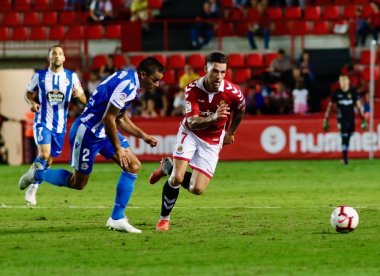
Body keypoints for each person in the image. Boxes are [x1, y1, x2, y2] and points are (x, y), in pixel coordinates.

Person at [19, 57, 165, 234]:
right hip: (87, 132)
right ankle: (37, 173)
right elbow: (109, 118)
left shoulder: (127, 78)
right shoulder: (128, 86)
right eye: (155, 80)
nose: (157, 84)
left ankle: (117, 218)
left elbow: (118, 117)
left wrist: (143, 136)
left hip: (102, 130)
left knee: (133, 166)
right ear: (143, 74)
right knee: (77, 183)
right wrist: (118, 149)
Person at [148, 52, 246, 231]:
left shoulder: (233, 92)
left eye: (223, 72)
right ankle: (164, 219)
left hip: (213, 141)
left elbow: (241, 109)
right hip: (191, 133)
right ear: (205, 69)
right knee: (177, 178)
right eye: (215, 71)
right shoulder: (192, 89)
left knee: (196, 189)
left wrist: (231, 132)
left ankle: (167, 167)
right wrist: (215, 118)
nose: (219, 76)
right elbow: (192, 121)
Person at [20, 45, 86, 205]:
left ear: (64, 58)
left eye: (60, 54)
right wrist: (32, 102)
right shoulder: (40, 76)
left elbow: (84, 100)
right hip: (42, 121)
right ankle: (29, 178)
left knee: (49, 160)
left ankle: (32, 186)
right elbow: (28, 93)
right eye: (54, 53)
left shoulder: (71, 77)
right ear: (49, 58)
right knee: (44, 154)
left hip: (60, 125)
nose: (57, 56)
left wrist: (79, 96)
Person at [323, 75, 367, 165]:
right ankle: (345, 158)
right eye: (340, 81)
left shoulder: (353, 92)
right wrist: (326, 118)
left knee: (348, 137)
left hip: (351, 118)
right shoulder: (336, 93)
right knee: (344, 136)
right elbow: (330, 106)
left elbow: (359, 106)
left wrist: (363, 118)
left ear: (347, 82)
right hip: (341, 118)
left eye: (342, 81)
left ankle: (345, 156)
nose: (341, 83)